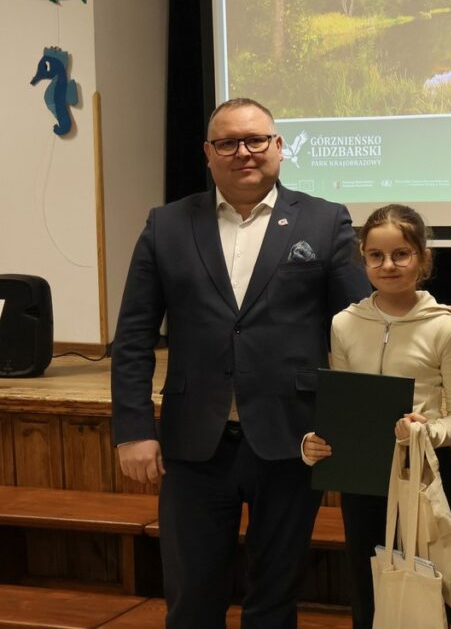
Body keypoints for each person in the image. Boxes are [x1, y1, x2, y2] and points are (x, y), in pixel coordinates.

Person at [111, 97, 371, 628]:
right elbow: (134, 335)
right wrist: (133, 429)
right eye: (228, 143)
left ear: (279, 147)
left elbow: (359, 331)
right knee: (192, 600)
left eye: (256, 140)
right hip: (194, 447)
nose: (243, 153)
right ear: (209, 154)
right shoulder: (166, 225)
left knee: (274, 601)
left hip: (292, 440)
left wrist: (354, 432)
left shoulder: (325, 221)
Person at [301, 203, 451, 629]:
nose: (389, 265)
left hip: (421, 477)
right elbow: (341, 406)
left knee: (422, 591)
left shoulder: (445, 328)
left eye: (401, 254)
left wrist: (427, 432)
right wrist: (315, 442)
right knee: (367, 585)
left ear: (423, 259)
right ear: (363, 259)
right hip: (362, 477)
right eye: (376, 256)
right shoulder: (344, 323)